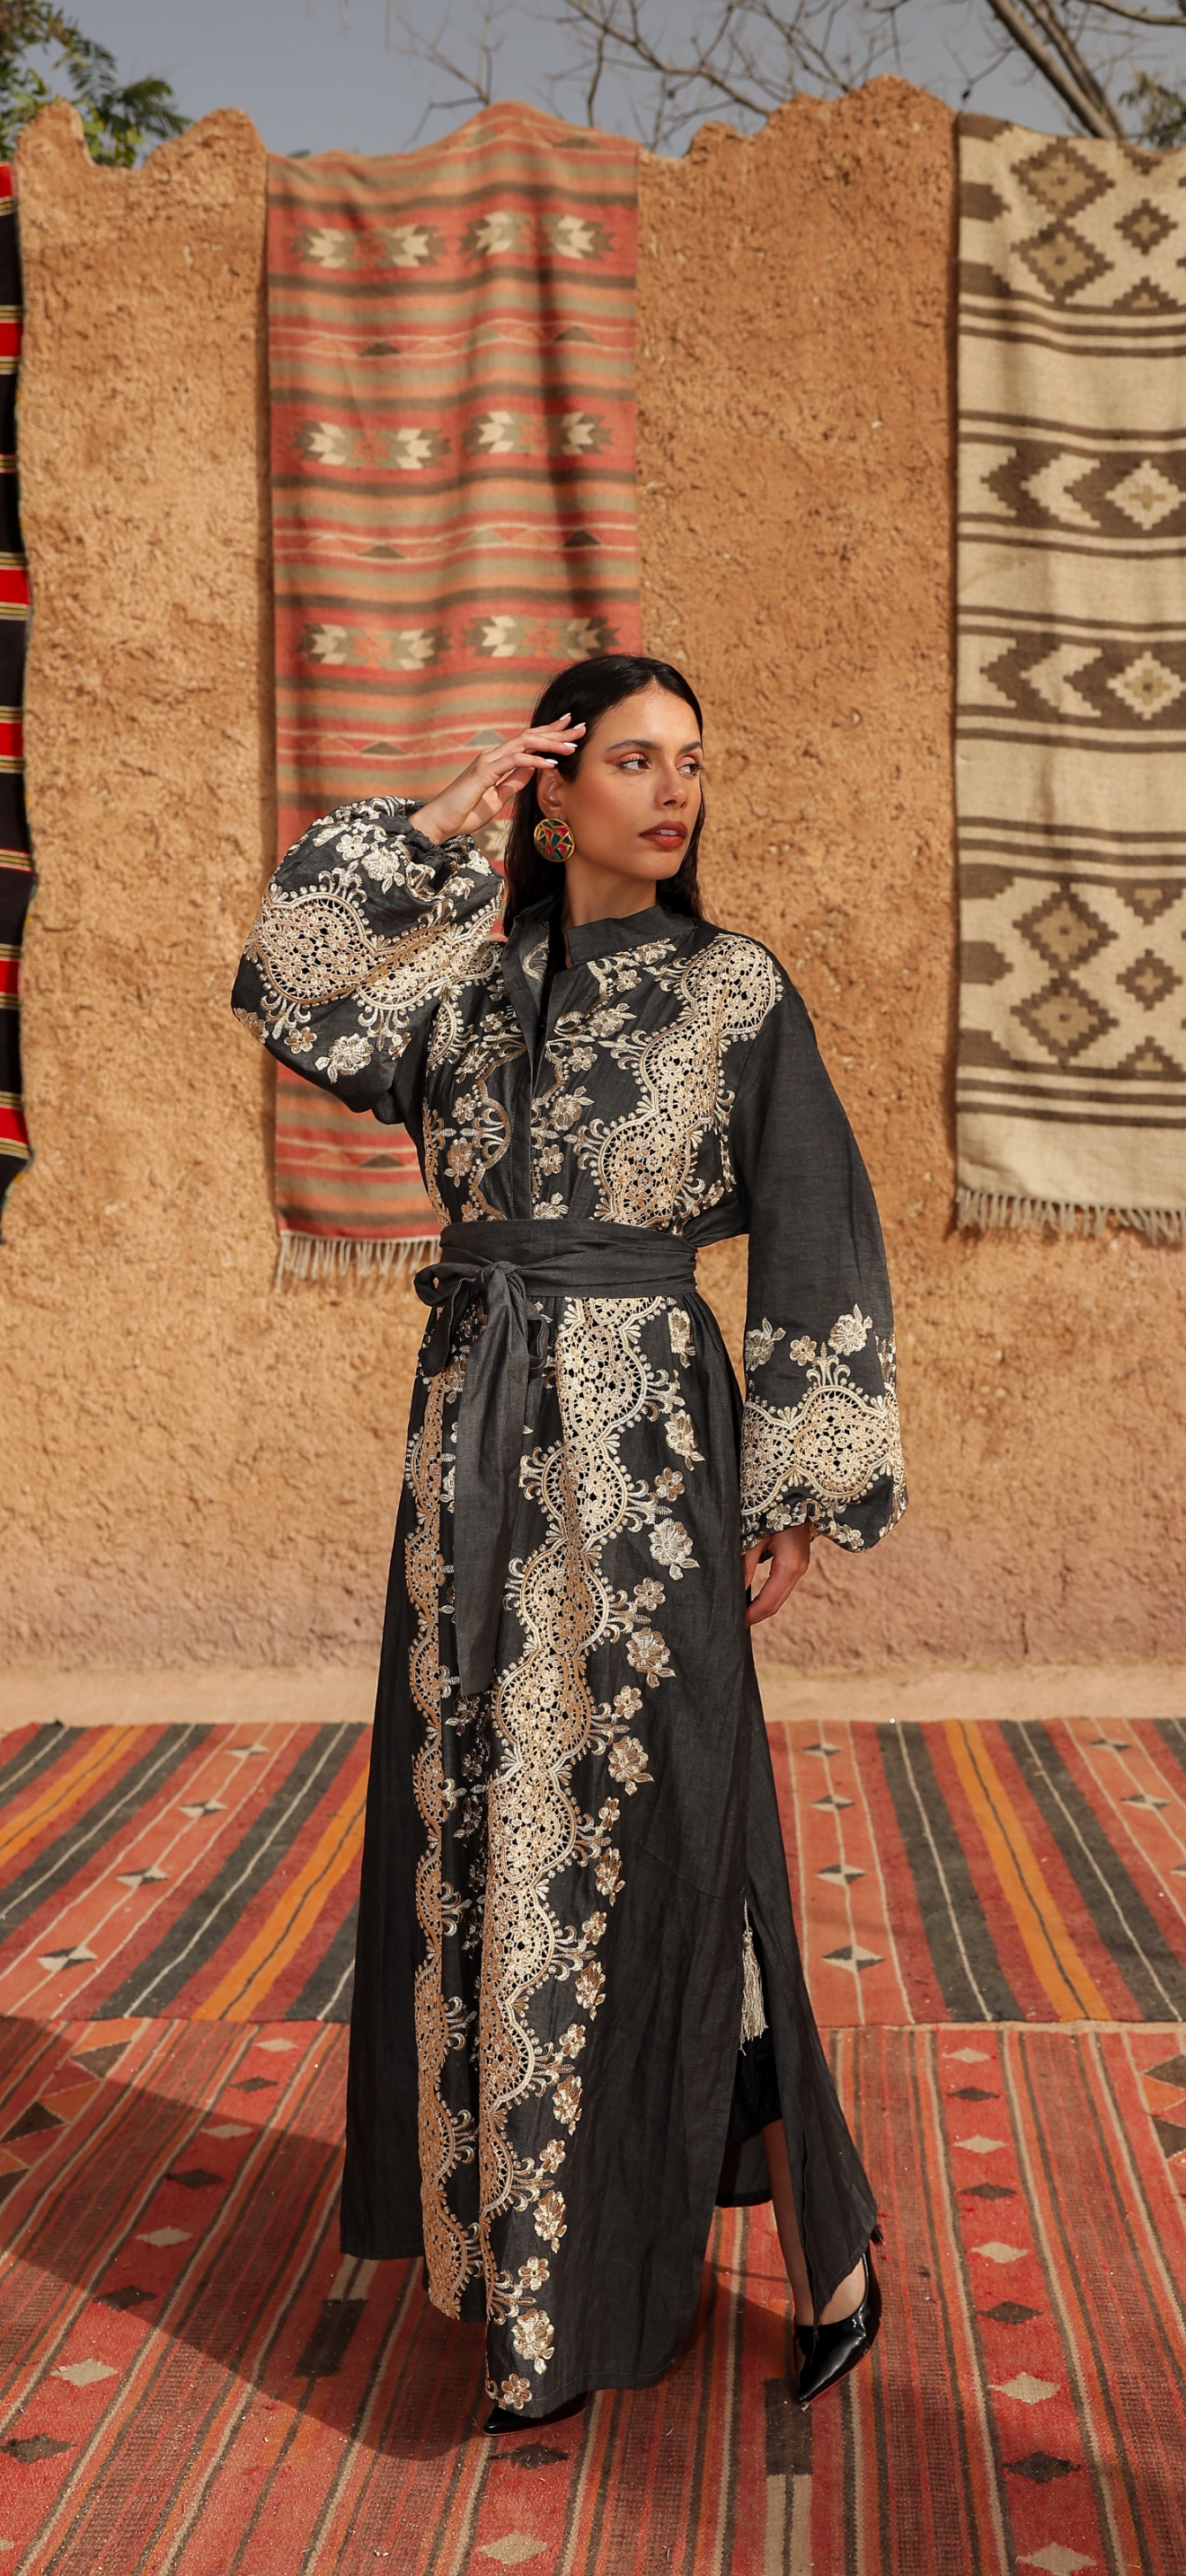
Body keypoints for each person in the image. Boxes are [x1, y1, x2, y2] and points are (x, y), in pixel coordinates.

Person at [232, 652, 906, 2429]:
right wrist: (441, 820)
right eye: (631, 759)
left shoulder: (735, 988)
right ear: (557, 790)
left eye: (691, 762)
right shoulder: (461, 974)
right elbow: (291, 980)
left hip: (648, 1456)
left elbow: (818, 1221)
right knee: (491, 1830)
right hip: (470, 1454)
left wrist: (794, 1489)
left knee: (680, 1834)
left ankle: (799, 2238)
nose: (673, 791)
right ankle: (534, 2277)